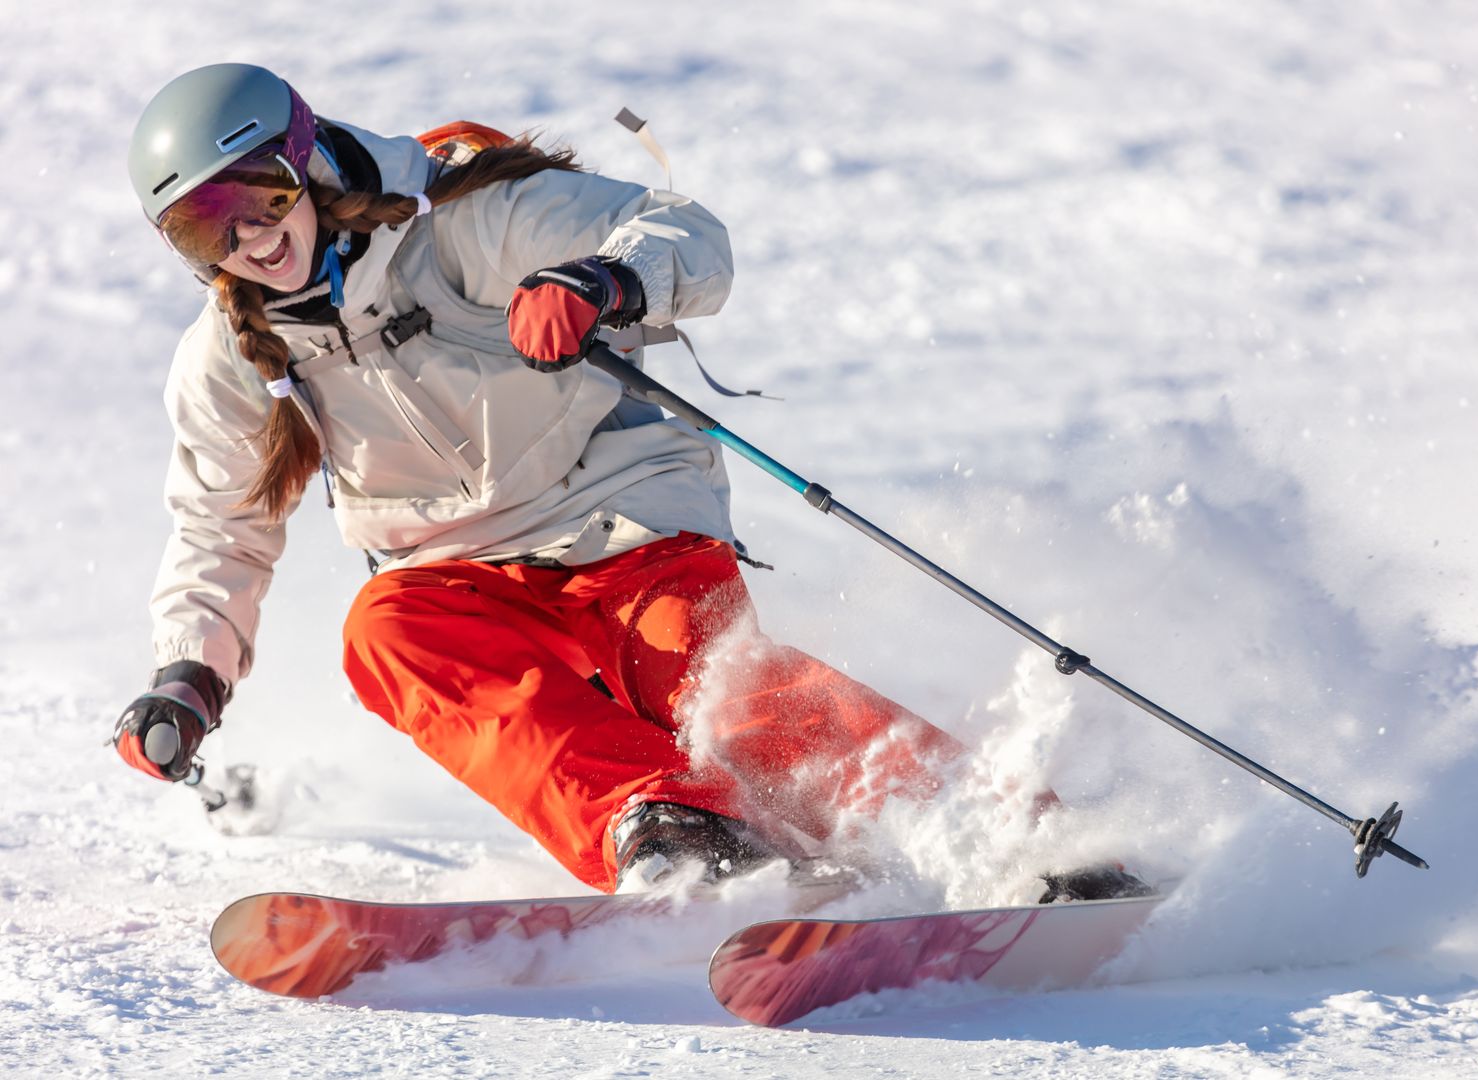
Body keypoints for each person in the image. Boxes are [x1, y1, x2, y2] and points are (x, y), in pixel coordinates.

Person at [114, 63, 1145, 902]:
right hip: (460, 576)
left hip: (624, 518)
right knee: (385, 633)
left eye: (260, 197)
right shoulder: (232, 358)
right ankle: (670, 825)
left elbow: (685, 232)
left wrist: (600, 282)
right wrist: (188, 678)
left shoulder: (459, 220)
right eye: (207, 227)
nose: (250, 238)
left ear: (305, 163)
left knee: (709, 693)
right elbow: (219, 531)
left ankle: (1018, 834)